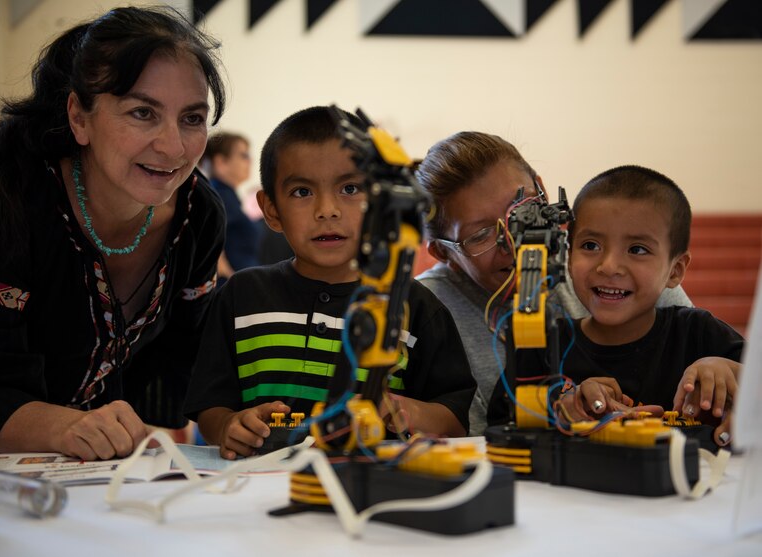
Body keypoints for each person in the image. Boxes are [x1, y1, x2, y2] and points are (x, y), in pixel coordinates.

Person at [0, 6, 227, 460]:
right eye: (142, 113)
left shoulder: (199, 215)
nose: (173, 146)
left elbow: (188, 357)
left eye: (192, 118)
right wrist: (65, 427)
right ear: (79, 116)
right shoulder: (8, 200)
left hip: (94, 478)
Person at [184, 106, 476, 459]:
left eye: (350, 188)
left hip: (368, 492)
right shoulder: (239, 297)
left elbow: (455, 419)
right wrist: (231, 425)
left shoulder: (416, 306)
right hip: (255, 493)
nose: (327, 210)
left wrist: (401, 410)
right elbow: (209, 408)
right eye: (302, 192)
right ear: (271, 209)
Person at [415, 132, 693, 436]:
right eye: (481, 234)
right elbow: (478, 440)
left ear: (543, 191)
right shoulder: (428, 309)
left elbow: (698, 352)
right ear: (444, 253)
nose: (513, 239)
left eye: (520, 210)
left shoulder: (599, 266)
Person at [487, 166, 743, 446]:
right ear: (569, 256)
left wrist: (729, 371)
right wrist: (560, 411)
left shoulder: (697, 333)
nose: (608, 266)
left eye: (637, 250)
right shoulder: (544, 343)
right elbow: (501, 428)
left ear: (675, 271)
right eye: (591, 245)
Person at [202, 132, 261, 281]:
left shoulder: (226, 196)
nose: (250, 161)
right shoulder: (221, 196)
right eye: (243, 156)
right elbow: (206, 240)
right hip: (229, 292)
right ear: (221, 163)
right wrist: (232, 278)